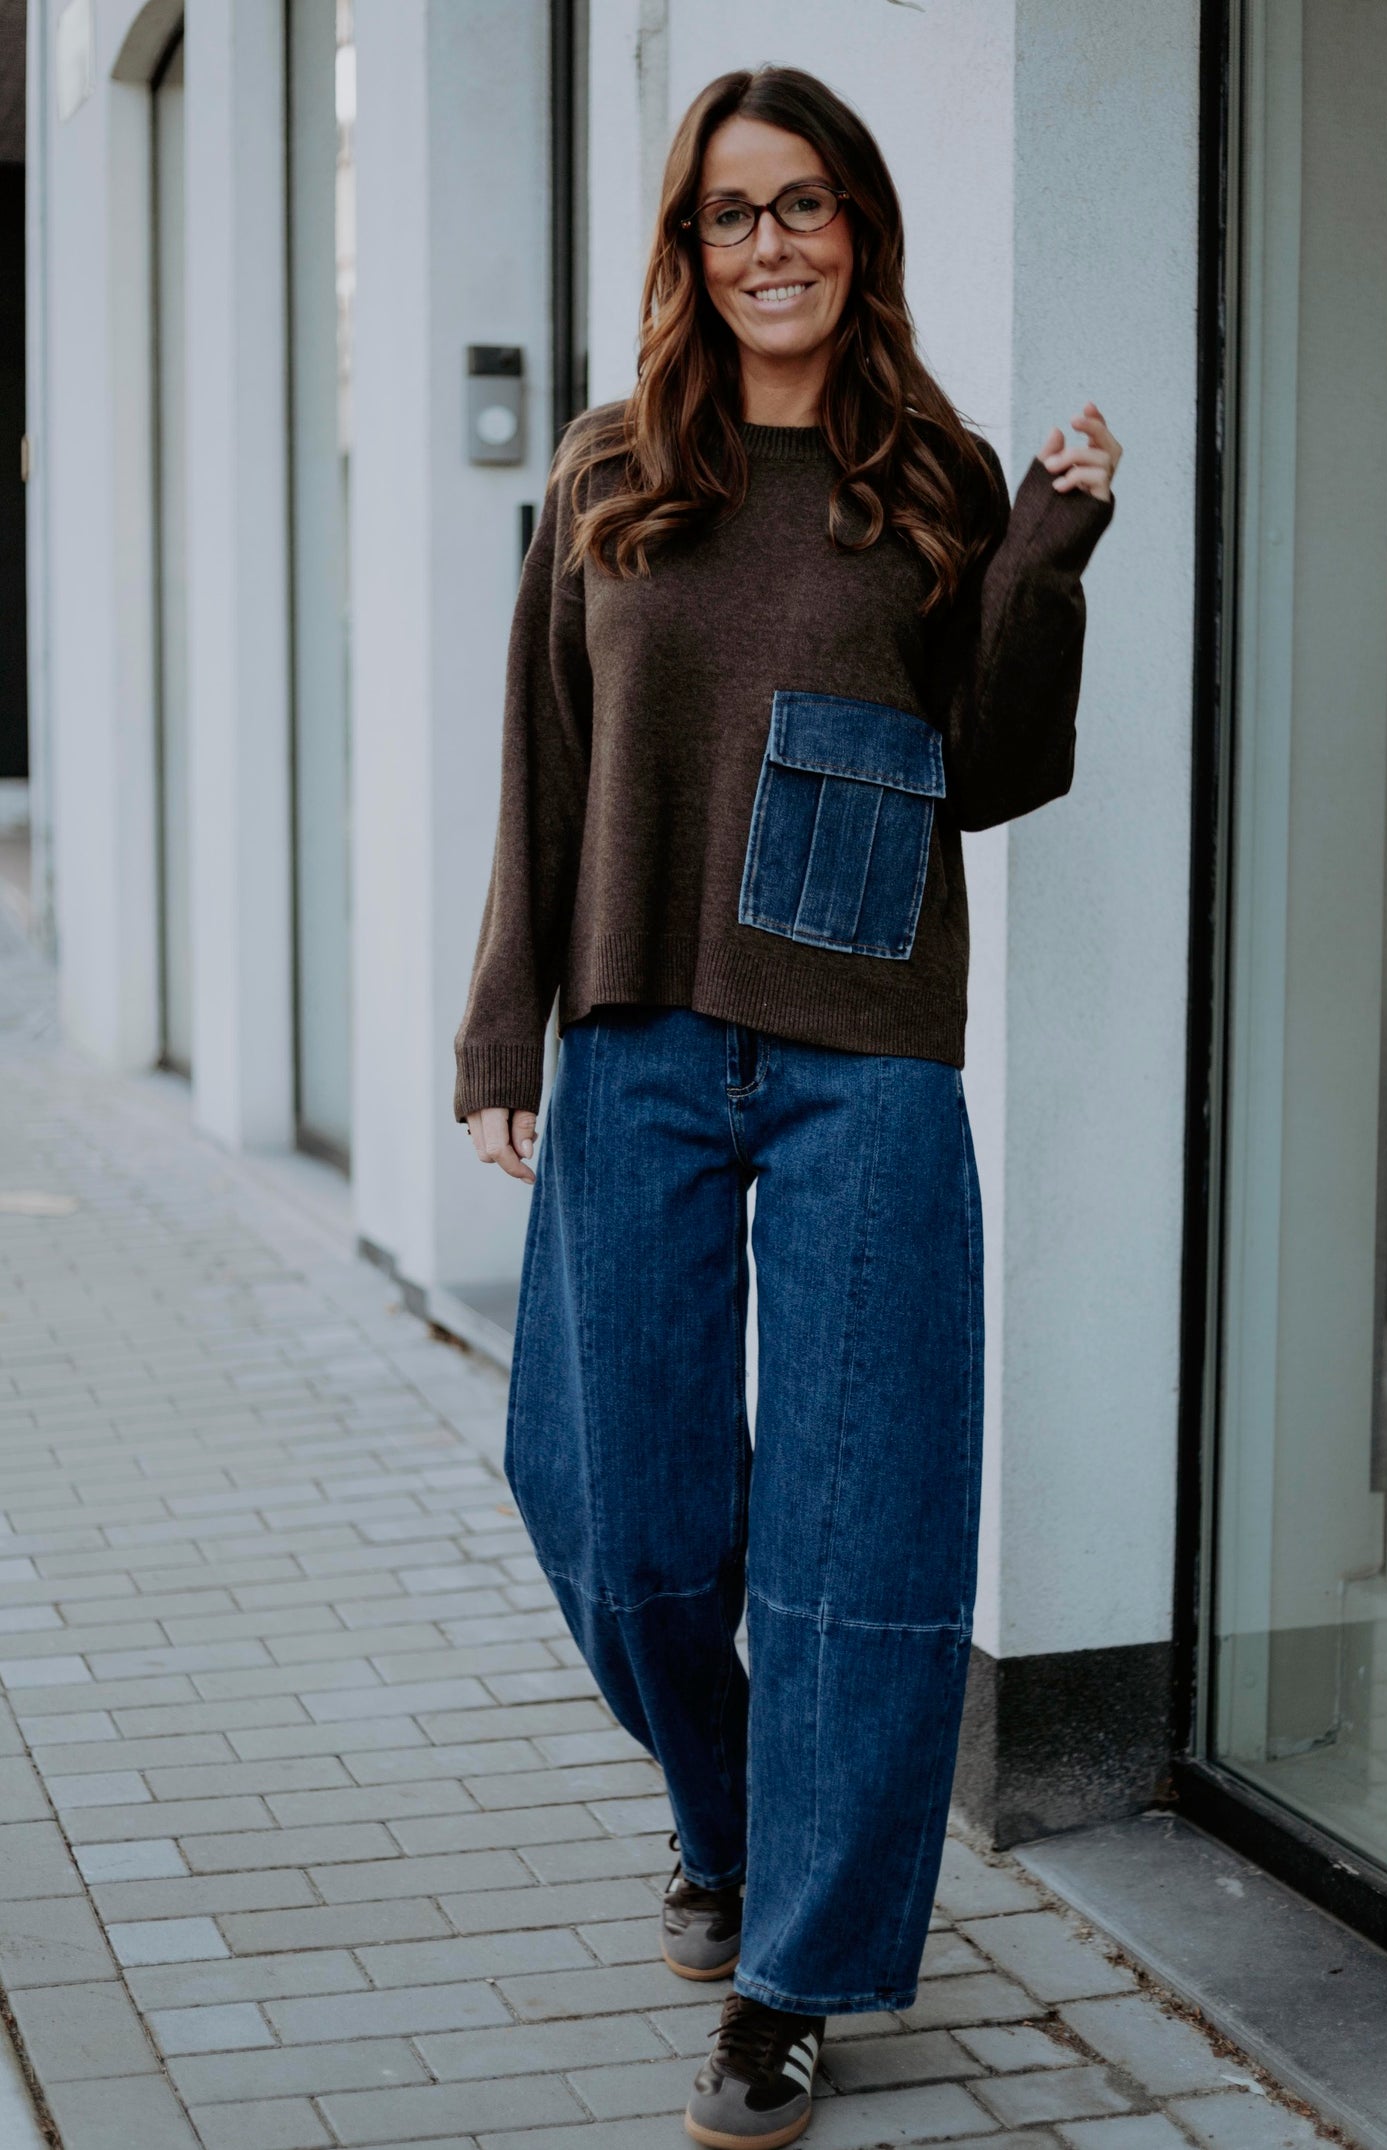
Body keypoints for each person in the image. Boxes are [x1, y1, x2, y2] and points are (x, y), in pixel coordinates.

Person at [453, 62, 1120, 2150]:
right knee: (618, 1509)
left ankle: (792, 1982)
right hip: (640, 1030)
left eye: (805, 203)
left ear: (860, 227)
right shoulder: (611, 469)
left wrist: (1045, 556)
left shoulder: (932, 469)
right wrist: (501, 1032)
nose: (772, 244)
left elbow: (993, 765)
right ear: (688, 244)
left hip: (864, 1054)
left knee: (860, 1533)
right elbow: (542, 762)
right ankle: (729, 1812)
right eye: (732, 212)